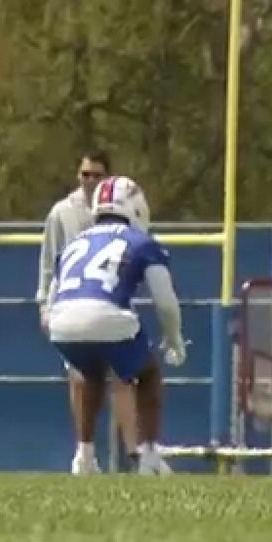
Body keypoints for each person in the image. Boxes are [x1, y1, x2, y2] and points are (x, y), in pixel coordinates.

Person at [45, 177, 185, 475]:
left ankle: (84, 456)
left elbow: (52, 296)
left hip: (61, 321)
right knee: (148, 373)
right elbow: (165, 302)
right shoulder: (141, 242)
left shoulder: (75, 243)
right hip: (106, 315)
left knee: (91, 374)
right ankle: (149, 455)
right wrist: (174, 338)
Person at [36, 151, 140, 474]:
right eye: (85, 175)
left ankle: (136, 455)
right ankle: (85, 453)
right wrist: (45, 304)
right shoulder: (63, 213)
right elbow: (50, 262)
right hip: (73, 304)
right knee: (81, 378)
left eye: (97, 175)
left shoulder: (125, 209)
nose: (90, 181)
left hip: (111, 302)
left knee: (125, 377)